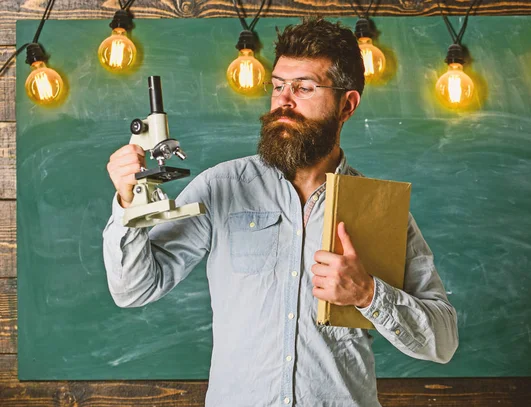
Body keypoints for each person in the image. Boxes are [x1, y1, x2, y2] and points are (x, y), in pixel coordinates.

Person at [103, 18, 458, 407]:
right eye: (277, 86)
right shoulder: (222, 187)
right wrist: (128, 201)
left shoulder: (379, 209)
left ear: (347, 105)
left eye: (304, 88)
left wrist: (368, 294)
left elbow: (442, 342)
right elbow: (134, 289)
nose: (283, 101)